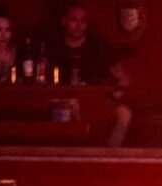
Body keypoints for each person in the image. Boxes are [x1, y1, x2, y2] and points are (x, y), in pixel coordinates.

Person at [46, 2, 132, 147]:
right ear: (64, 21)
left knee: (124, 113)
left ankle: (106, 156)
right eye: (74, 20)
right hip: (62, 102)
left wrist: (116, 93)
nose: (79, 26)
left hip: (95, 101)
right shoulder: (53, 46)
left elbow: (123, 79)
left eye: (83, 21)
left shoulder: (99, 46)